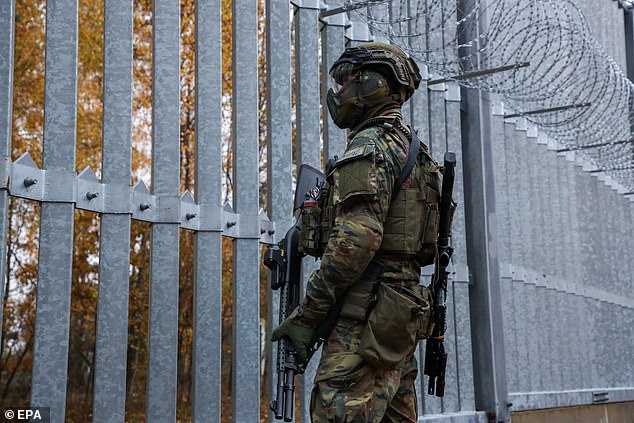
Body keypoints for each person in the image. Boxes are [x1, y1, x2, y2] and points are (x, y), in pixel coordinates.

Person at [272, 42, 442, 422]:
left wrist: (307, 315)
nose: (339, 92)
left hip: (363, 321)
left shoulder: (370, 147)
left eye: (346, 81)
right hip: (395, 317)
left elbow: (358, 240)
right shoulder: (414, 150)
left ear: (373, 85)